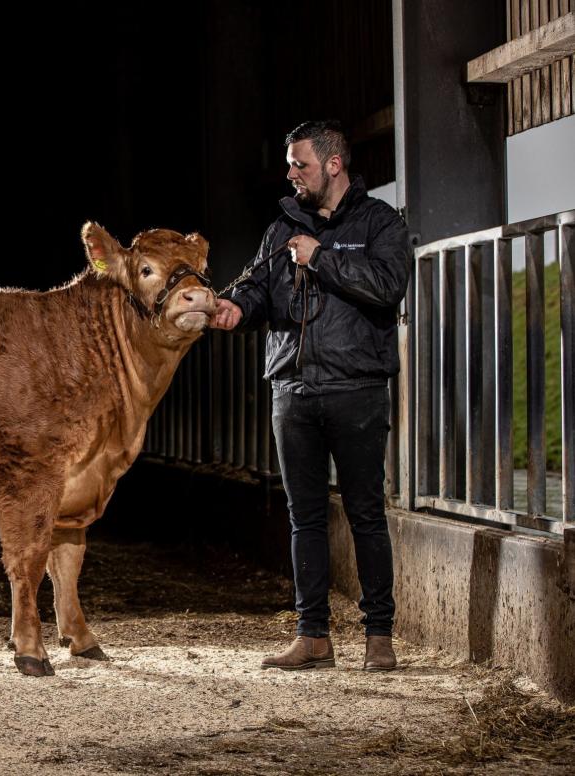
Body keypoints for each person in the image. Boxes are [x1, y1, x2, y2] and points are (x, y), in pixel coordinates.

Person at [210, 120, 411, 671]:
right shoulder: (281, 229)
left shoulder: (380, 223)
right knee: (304, 518)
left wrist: (320, 257)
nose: (291, 173)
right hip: (292, 390)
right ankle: (312, 635)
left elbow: (387, 286)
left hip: (357, 389)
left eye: (300, 163)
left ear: (334, 164)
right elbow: (256, 288)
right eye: (290, 163)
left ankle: (378, 636)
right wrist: (237, 309)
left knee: (366, 514)